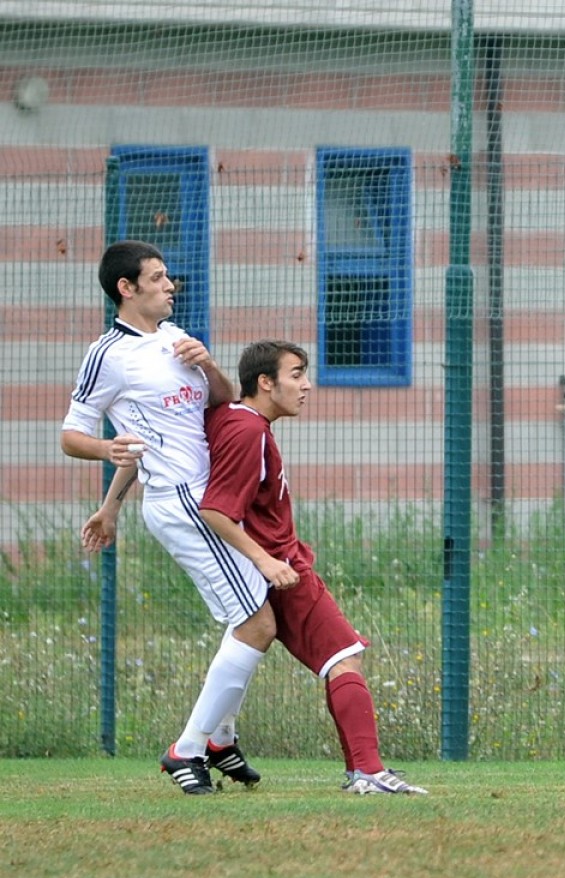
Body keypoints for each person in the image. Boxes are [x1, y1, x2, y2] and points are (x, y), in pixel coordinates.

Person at [65, 239, 274, 796]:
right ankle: (188, 748)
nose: (170, 285)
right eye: (157, 278)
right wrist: (103, 451)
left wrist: (207, 363)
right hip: (182, 503)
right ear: (126, 289)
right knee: (257, 623)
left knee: (251, 620)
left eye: (169, 277)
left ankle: (221, 739)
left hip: (209, 497)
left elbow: (224, 403)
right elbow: (72, 435)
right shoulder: (108, 354)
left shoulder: (177, 340)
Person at [194, 340, 426, 795]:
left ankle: (216, 742)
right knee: (343, 657)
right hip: (282, 568)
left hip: (278, 563)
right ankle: (368, 772)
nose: (307, 385)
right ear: (266, 382)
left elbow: (217, 402)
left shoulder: (239, 420)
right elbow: (216, 509)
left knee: (334, 657)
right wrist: (266, 560)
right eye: (296, 374)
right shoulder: (248, 431)